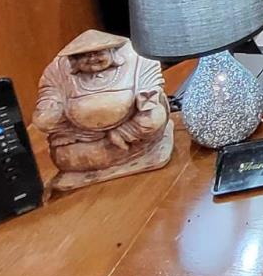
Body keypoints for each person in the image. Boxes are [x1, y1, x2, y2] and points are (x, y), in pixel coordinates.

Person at [33, 29, 172, 190]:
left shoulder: (139, 58)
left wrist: (125, 130)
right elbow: (47, 101)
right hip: (84, 137)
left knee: (154, 117)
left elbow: (151, 95)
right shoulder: (57, 70)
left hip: (131, 133)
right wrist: (53, 114)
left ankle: (127, 144)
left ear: (113, 52)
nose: (92, 59)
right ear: (73, 60)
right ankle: (109, 153)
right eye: (84, 56)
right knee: (64, 156)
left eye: (98, 53)